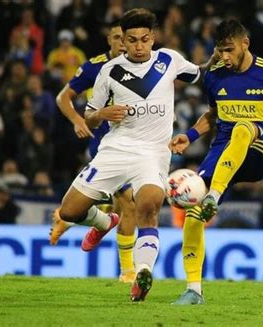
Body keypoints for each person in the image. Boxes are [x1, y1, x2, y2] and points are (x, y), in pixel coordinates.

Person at [54, 8, 202, 302]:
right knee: (69, 212)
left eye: (144, 40)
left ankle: (142, 272)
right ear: (123, 40)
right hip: (115, 149)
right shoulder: (109, 71)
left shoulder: (170, 60)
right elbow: (89, 116)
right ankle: (103, 222)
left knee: (148, 208)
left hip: (153, 154)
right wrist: (102, 114)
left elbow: (201, 72)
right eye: (131, 40)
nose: (137, 46)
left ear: (153, 38)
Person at [170, 18, 263, 304]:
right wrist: (189, 136)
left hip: (260, 154)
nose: (224, 57)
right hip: (223, 151)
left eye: (229, 50)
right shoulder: (214, 75)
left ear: (245, 44)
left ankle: (214, 195)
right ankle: (193, 290)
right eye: (220, 50)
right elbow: (214, 114)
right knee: (193, 212)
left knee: (243, 127)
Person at [49, 19, 138, 284]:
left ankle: (105, 231)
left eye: (127, 38)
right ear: (109, 40)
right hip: (104, 147)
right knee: (124, 204)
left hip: (133, 145)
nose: (123, 43)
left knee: (125, 203)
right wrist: (78, 121)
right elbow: (62, 97)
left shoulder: (142, 65)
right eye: (117, 38)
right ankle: (121, 259)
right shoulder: (95, 66)